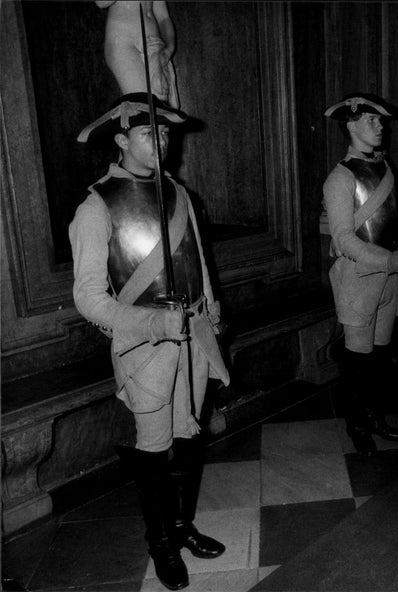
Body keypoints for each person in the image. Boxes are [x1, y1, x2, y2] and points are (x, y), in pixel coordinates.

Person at [70, 92, 229, 590]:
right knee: (155, 448)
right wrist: (151, 324)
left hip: (193, 339)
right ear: (121, 140)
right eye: (148, 133)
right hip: (145, 350)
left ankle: (183, 528)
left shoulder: (179, 193)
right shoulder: (96, 207)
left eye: (164, 132)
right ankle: (160, 544)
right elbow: (89, 299)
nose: (160, 141)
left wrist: (210, 307)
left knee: (188, 439)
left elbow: (198, 262)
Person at [321, 93, 398, 455]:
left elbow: (391, 223)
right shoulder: (340, 178)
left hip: (391, 279)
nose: (380, 127)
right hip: (359, 278)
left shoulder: (387, 170)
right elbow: (343, 239)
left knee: (379, 358)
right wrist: (390, 261)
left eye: (381, 122)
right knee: (358, 361)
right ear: (351, 124)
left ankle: (375, 417)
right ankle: (357, 425)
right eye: (372, 121)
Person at [96, 1, 180, 108]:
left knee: (164, 110)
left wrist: (168, 50)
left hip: (154, 44)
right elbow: (101, 3)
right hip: (123, 41)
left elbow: (163, 17)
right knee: (148, 109)